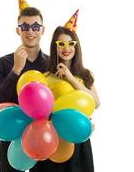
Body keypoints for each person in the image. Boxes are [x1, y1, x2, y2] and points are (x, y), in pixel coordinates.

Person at [30, 9, 100, 172]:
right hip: (51, 140)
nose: (66, 48)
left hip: (78, 140)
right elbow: (41, 111)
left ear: (77, 46)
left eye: (70, 43)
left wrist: (70, 78)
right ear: (55, 47)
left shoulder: (85, 74)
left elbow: (95, 103)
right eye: (61, 43)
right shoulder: (45, 76)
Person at [0, 0, 49, 172]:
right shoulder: (3, 63)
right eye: (25, 26)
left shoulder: (52, 64)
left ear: (43, 30)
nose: (30, 31)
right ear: (18, 30)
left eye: (35, 26)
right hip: (12, 137)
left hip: (45, 139)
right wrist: (16, 70)